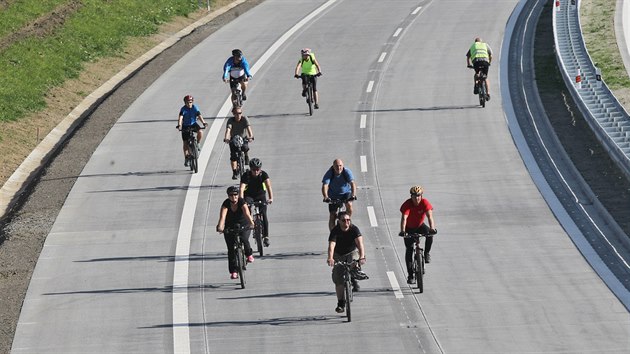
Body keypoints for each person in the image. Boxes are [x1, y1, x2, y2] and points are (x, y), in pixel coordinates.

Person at [327, 211, 367, 313]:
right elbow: (332, 245)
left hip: (351, 252)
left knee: (354, 261)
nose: (346, 222)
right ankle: (341, 303)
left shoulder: (354, 229)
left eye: (348, 220)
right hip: (338, 254)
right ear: (339, 221)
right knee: (338, 278)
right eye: (343, 220)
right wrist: (330, 258)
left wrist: (362, 257)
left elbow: (360, 244)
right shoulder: (335, 231)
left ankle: (354, 274)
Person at [398, 185, 437, 285]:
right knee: (409, 250)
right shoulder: (407, 204)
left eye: (418, 196)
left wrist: (432, 228)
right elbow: (404, 219)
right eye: (414, 196)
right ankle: (410, 275)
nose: (416, 198)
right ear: (411, 196)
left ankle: (427, 253)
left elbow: (430, 217)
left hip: (420, 226)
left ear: (421, 196)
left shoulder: (425, 203)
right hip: (408, 228)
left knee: (430, 235)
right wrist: (403, 231)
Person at [216, 186, 256, 280]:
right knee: (231, 249)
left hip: (243, 223)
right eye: (231, 195)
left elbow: (247, 213)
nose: (234, 197)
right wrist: (220, 227)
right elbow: (222, 217)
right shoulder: (226, 203)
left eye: (235, 194)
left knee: (244, 238)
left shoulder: (242, 201)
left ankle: (248, 254)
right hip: (230, 226)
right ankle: (233, 271)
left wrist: (252, 223)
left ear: (238, 195)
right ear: (228, 196)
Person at [239, 158, 273, 247]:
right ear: (250, 169)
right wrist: (241, 200)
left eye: (258, 169)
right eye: (254, 169)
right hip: (249, 195)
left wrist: (271, 198)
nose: (256, 171)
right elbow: (242, 188)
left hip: (260, 195)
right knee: (247, 209)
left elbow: (268, 186)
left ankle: (266, 236)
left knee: (264, 214)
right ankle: (250, 224)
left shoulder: (264, 175)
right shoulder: (246, 175)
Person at [322, 159, 356, 231]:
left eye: (340, 166)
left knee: (349, 204)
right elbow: (325, 186)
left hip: (346, 193)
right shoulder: (330, 173)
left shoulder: (346, 171)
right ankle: (333, 234)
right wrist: (326, 197)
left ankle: (346, 220)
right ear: (333, 166)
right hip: (333, 196)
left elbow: (352, 184)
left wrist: (353, 195)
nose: (339, 168)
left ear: (343, 165)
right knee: (332, 215)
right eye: (336, 166)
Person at [176, 95, 208, 167]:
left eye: (190, 102)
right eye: (187, 102)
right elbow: (180, 117)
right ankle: (186, 158)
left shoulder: (195, 107)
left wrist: (204, 123)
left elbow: (199, 115)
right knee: (185, 143)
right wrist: (179, 125)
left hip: (193, 124)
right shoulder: (183, 109)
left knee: (200, 132)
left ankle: (198, 143)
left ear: (192, 102)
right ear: (185, 103)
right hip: (185, 126)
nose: (189, 104)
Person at [224, 106, 254, 179]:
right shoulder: (230, 120)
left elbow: (249, 129)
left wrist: (251, 136)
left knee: (245, 147)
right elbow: (228, 130)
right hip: (234, 139)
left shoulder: (244, 119)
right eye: (236, 113)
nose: (238, 115)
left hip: (243, 138)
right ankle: (234, 172)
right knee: (233, 157)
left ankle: (246, 155)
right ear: (233, 114)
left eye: (240, 113)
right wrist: (226, 138)